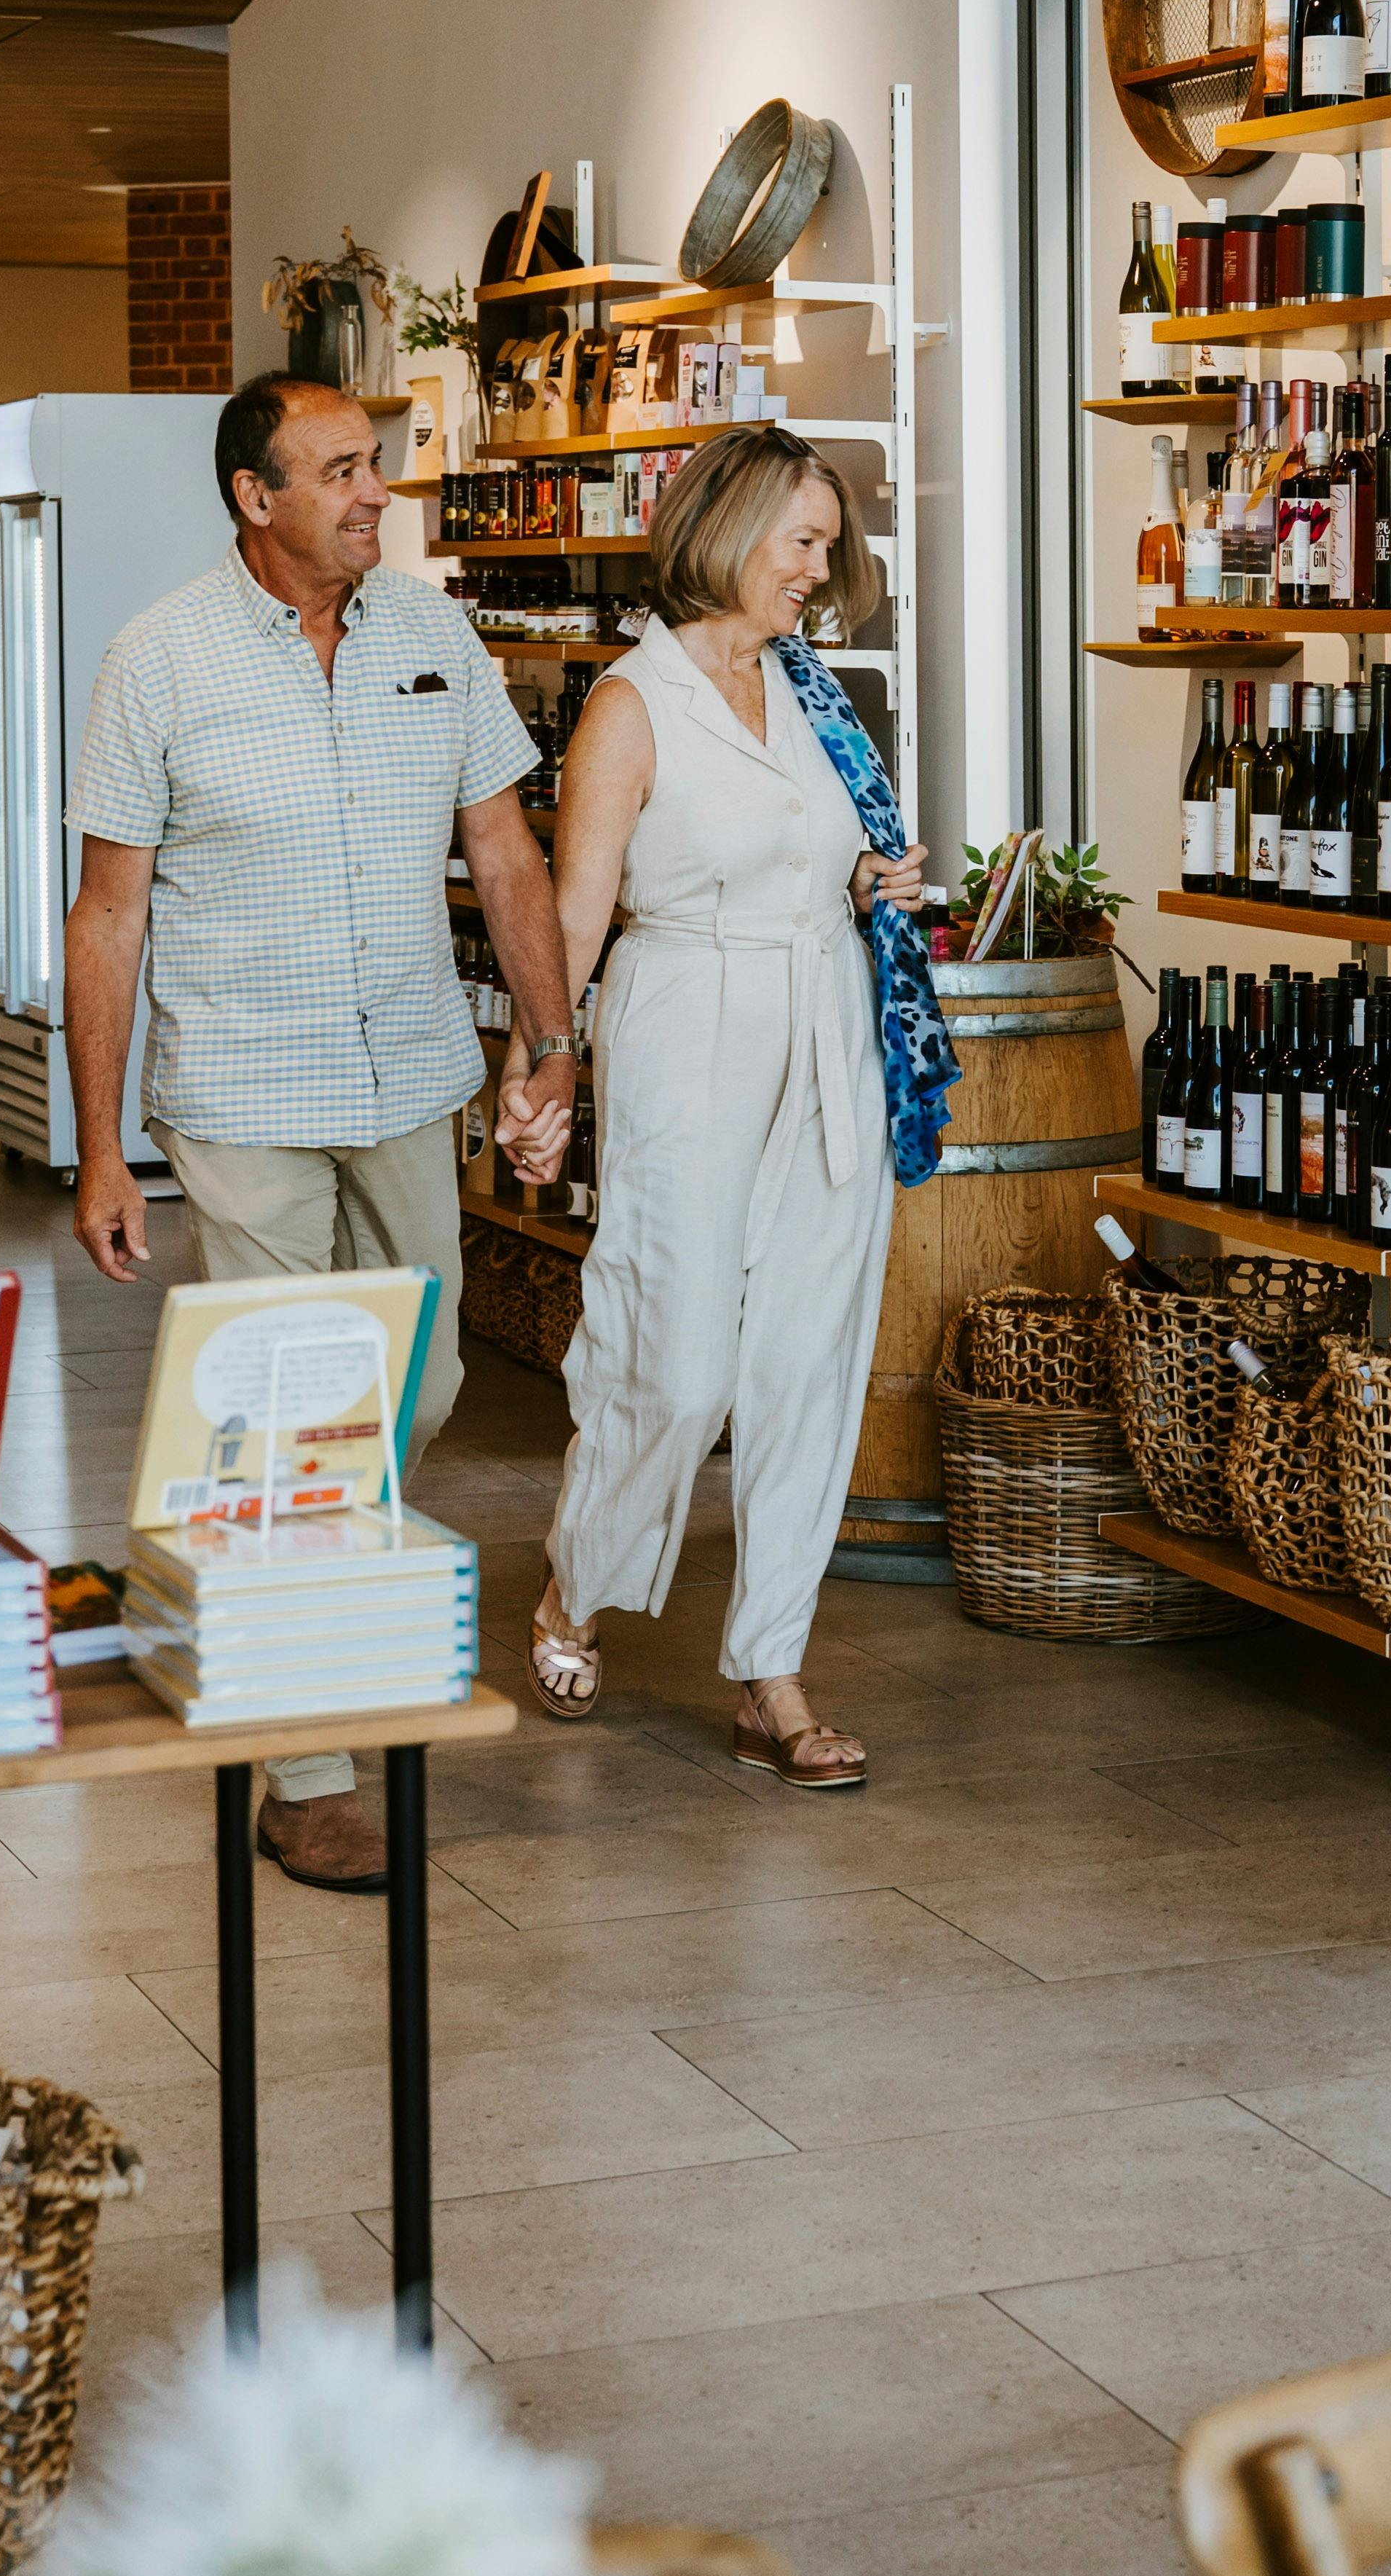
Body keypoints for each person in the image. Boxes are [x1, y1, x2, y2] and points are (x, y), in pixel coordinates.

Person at [63, 372, 575, 1887]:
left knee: (413, 1395)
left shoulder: (433, 635)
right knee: (294, 1414)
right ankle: (311, 1765)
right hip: (242, 1090)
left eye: (378, 465)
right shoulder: (158, 660)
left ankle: (266, 1596)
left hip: (411, 1072)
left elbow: (505, 849)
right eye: (345, 469)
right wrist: (101, 1145)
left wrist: (551, 1045)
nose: (377, 494)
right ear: (255, 495)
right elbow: (109, 917)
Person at [512, 425, 947, 1783]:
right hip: (686, 1027)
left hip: (829, 1030)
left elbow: (833, 858)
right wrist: (543, 1065)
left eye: (830, 545)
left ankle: (772, 1672)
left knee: (809, 1361)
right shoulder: (630, 707)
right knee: (676, 1358)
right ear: (726, 527)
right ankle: (573, 1587)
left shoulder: (818, 693)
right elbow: (576, 916)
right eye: (802, 541)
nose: (821, 569)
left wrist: (881, 885)